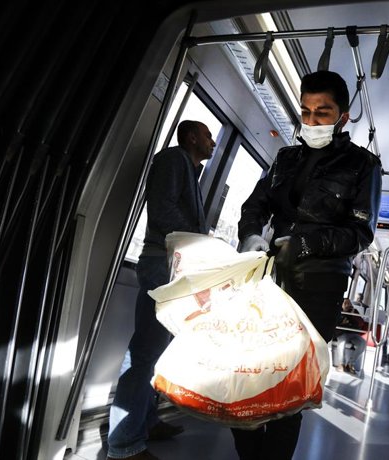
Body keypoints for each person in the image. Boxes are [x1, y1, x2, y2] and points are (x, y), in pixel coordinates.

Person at [235, 70, 382, 459]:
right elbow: (255, 205)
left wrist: (304, 244)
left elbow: (359, 233)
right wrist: (251, 235)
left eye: (323, 112)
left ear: (344, 116)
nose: (312, 121)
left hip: (319, 284)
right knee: (246, 371)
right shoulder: (286, 157)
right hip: (271, 276)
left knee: (289, 386)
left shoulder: (362, 165)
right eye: (305, 111)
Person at [107, 120, 216, 460]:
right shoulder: (172, 160)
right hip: (161, 265)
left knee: (157, 353)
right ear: (193, 137)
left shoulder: (190, 170)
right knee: (144, 354)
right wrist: (203, 243)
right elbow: (163, 211)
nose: (213, 143)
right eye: (210, 136)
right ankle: (124, 444)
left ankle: (148, 421)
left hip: (175, 267)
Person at [333, 298, 368, 374]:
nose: (348, 305)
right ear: (341, 305)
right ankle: (341, 364)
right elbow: (336, 323)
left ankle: (350, 363)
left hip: (353, 333)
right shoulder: (338, 311)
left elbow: (361, 323)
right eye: (345, 303)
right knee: (342, 342)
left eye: (349, 303)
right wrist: (344, 312)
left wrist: (353, 315)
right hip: (342, 333)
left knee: (362, 343)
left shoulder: (354, 311)